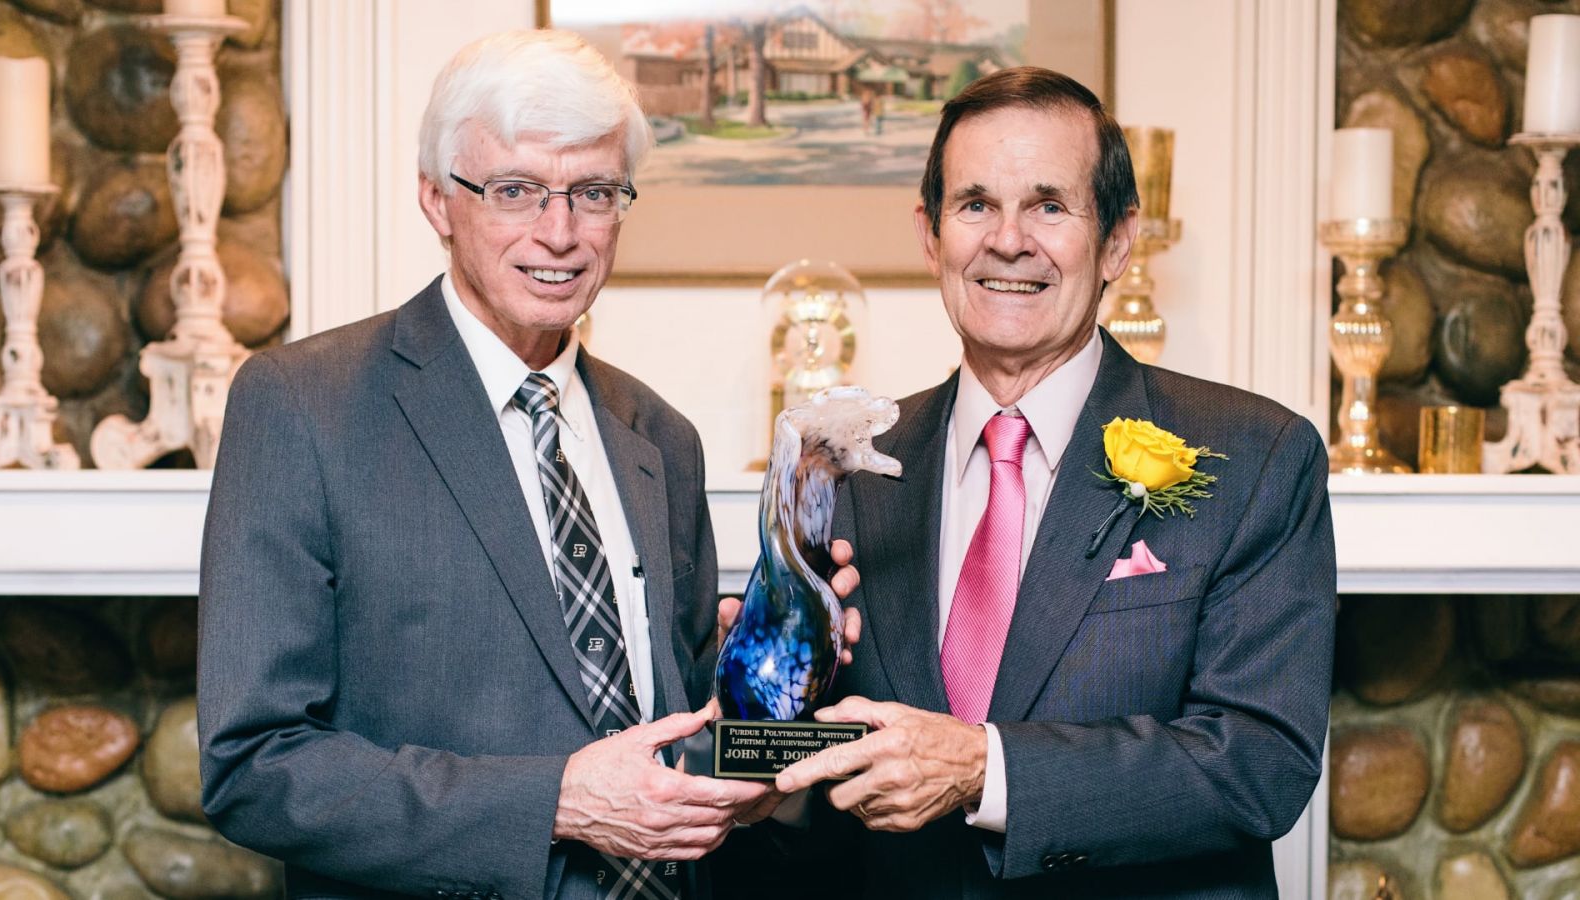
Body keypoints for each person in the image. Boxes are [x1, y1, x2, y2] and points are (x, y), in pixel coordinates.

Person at [197, 30, 856, 900]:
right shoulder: (302, 404)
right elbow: (254, 763)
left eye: (593, 193)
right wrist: (553, 803)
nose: (561, 233)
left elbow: (685, 732)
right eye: (516, 190)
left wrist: (779, 679)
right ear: (437, 200)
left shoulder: (661, 435)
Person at [774, 67, 1337, 898]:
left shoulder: (1254, 457)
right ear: (930, 234)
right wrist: (760, 694)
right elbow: (812, 780)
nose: (1008, 240)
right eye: (975, 205)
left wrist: (983, 770)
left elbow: (1258, 762)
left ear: (1116, 240)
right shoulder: (844, 464)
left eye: (1048, 206)